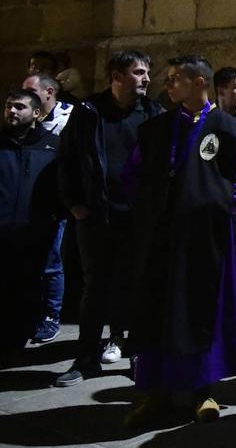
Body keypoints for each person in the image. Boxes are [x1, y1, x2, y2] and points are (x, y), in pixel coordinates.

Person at [125, 55, 236, 427]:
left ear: (199, 83)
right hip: (161, 239)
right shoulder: (155, 129)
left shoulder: (229, 129)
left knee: (201, 310)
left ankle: (202, 390)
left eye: (174, 79)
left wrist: (208, 207)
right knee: (158, 311)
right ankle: (156, 392)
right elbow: (133, 175)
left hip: (205, 240)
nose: (167, 85)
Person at [55, 51, 163, 385]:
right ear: (116, 76)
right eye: (138, 72)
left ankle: (136, 356)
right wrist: (75, 204)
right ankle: (86, 358)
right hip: (98, 216)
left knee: (137, 288)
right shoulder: (89, 112)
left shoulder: (153, 113)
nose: (146, 79)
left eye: (147, 73)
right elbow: (67, 160)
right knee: (95, 288)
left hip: (139, 218)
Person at [1, 89, 60, 348]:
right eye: (8, 106)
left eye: (19, 107)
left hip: (35, 229)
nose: (12, 111)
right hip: (3, 228)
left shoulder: (51, 146)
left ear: (36, 113)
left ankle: (20, 336)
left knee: (29, 285)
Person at [22, 73, 73, 342]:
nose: (25, 98)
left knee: (52, 262)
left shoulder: (70, 118)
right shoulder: (29, 118)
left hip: (59, 202)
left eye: (31, 91)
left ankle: (51, 315)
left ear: (49, 92)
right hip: (31, 202)